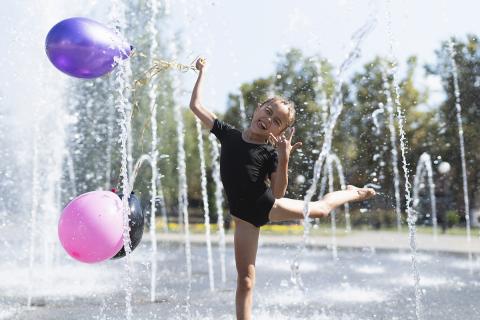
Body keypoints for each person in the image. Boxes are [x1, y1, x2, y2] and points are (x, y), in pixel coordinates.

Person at [189, 57, 375, 320]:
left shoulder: (270, 153)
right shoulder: (227, 134)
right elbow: (195, 105)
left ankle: (355, 192)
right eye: (267, 111)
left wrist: (284, 156)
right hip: (244, 219)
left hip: (266, 207)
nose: (268, 119)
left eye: (277, 121)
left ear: (281, 131)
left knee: (321, 210)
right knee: (245, 281)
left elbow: (277, 193)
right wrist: (203, 72)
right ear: (258, 108)